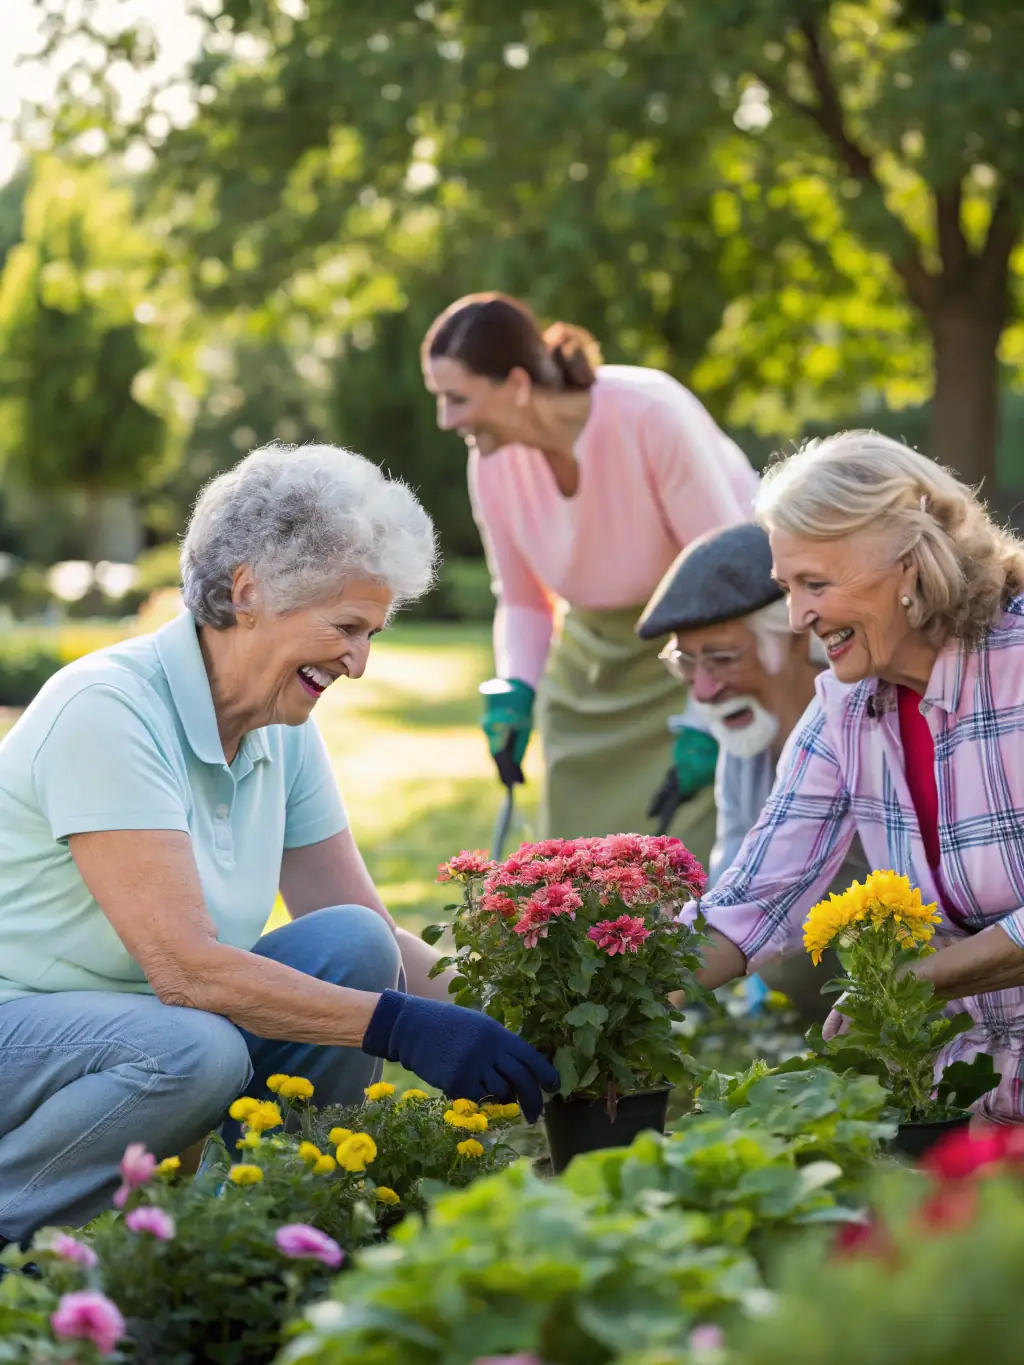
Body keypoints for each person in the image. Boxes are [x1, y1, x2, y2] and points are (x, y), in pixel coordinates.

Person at [0, 443, 559, 1246]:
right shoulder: (108, 710)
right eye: (346, 627)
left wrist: (532, 1023)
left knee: (357, 944)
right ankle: (18, 1231)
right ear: (249, 590)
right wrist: (399, 1029)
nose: (359, 663)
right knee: (199, 1050)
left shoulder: (279, 728)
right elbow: (184, 969)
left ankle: (284, 1231)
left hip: (143, 1029)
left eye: (373, 633)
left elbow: (375, 944)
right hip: (22, 1027)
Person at [686, 430, 1024, 1125]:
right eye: (787, 587)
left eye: (817, 582)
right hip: (971, 1093)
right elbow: (751, 903)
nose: (797, 617)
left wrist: (913, 982)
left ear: (909, 563)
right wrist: (610, 980)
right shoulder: (846, 707)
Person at [421, 292, 760, 863]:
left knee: (693, 873)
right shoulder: (491, 461)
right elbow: (525, 600)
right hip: (592, 665)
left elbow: (729, 576)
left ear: (518, 384)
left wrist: (707, 714)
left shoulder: (649, 414)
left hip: (702, 650)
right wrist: (516, 688)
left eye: (457, 399)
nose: (446, 420)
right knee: (573, 869)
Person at [637, 522, 867, 1024]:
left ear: (794, 636)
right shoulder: (745, 742)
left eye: (720, 659)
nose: (701, 691)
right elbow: (735, 880)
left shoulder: (862, 726)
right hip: (801, 1014)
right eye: (686, 663)